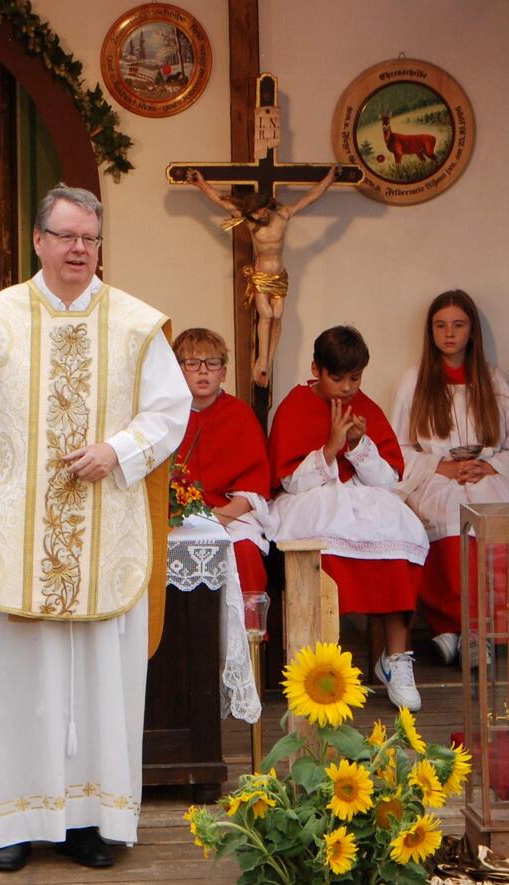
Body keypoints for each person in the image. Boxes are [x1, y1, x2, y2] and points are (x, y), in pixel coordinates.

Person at [0, 184, 190, 873]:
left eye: (90, 238)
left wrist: (119, 451)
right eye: (67, 236)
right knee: (22, 688)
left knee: (99, 687)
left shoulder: (138, 325)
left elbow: (170, 413)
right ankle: (13, 825)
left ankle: (89, 823)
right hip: (17, 539)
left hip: (105, 531)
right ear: (39, 241)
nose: (80, 249)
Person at [267, 326, 429, 710]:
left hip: (362, 501)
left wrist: (358, 446)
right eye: (336, 378)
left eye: (354, 378)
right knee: (326, 546)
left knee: (401, 536)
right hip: (311, 500)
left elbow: (389, 480)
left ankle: (396, 658)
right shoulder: (294, 405)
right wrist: (330, 448)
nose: (346, 388)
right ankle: (324, 667)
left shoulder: (366, 406)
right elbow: (289, 480)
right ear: (316, 369)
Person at [391, 290, 509, 665]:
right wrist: (437, 468)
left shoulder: (495, 383)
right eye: (441, 326)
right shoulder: (414, 381)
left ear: (472, 331)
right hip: (438, 477)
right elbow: (396, 450)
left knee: (499, 514)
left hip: (488, 472)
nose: (449, 334)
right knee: (449, 513)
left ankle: (495, 631)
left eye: (458, 325)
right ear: (431, 332)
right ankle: (453, 626)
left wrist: (492, 467)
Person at [186, 166, 339, 388]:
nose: (259, 217)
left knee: (278, 314)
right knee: (266, 314)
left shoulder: (283, 215)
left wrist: (329, 179)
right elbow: (222, 201)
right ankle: (262, 361)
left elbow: (309, 198)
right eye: (255, 215)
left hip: (278, 275)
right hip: (260, 275)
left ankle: (269, 358)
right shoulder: (250, 221)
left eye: (261, 212)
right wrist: (200, 183)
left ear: (266, 207)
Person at [172, 328, 270, 596]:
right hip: (176, 521)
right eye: (192, 363)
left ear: (223, 372)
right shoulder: (163, 416)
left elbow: (253, 487)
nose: (203, 371)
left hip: (229, 516)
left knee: (245, 550)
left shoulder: (240, 415)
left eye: (212, 363)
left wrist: (217, 520)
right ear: (177, 370)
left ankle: (249, 637)